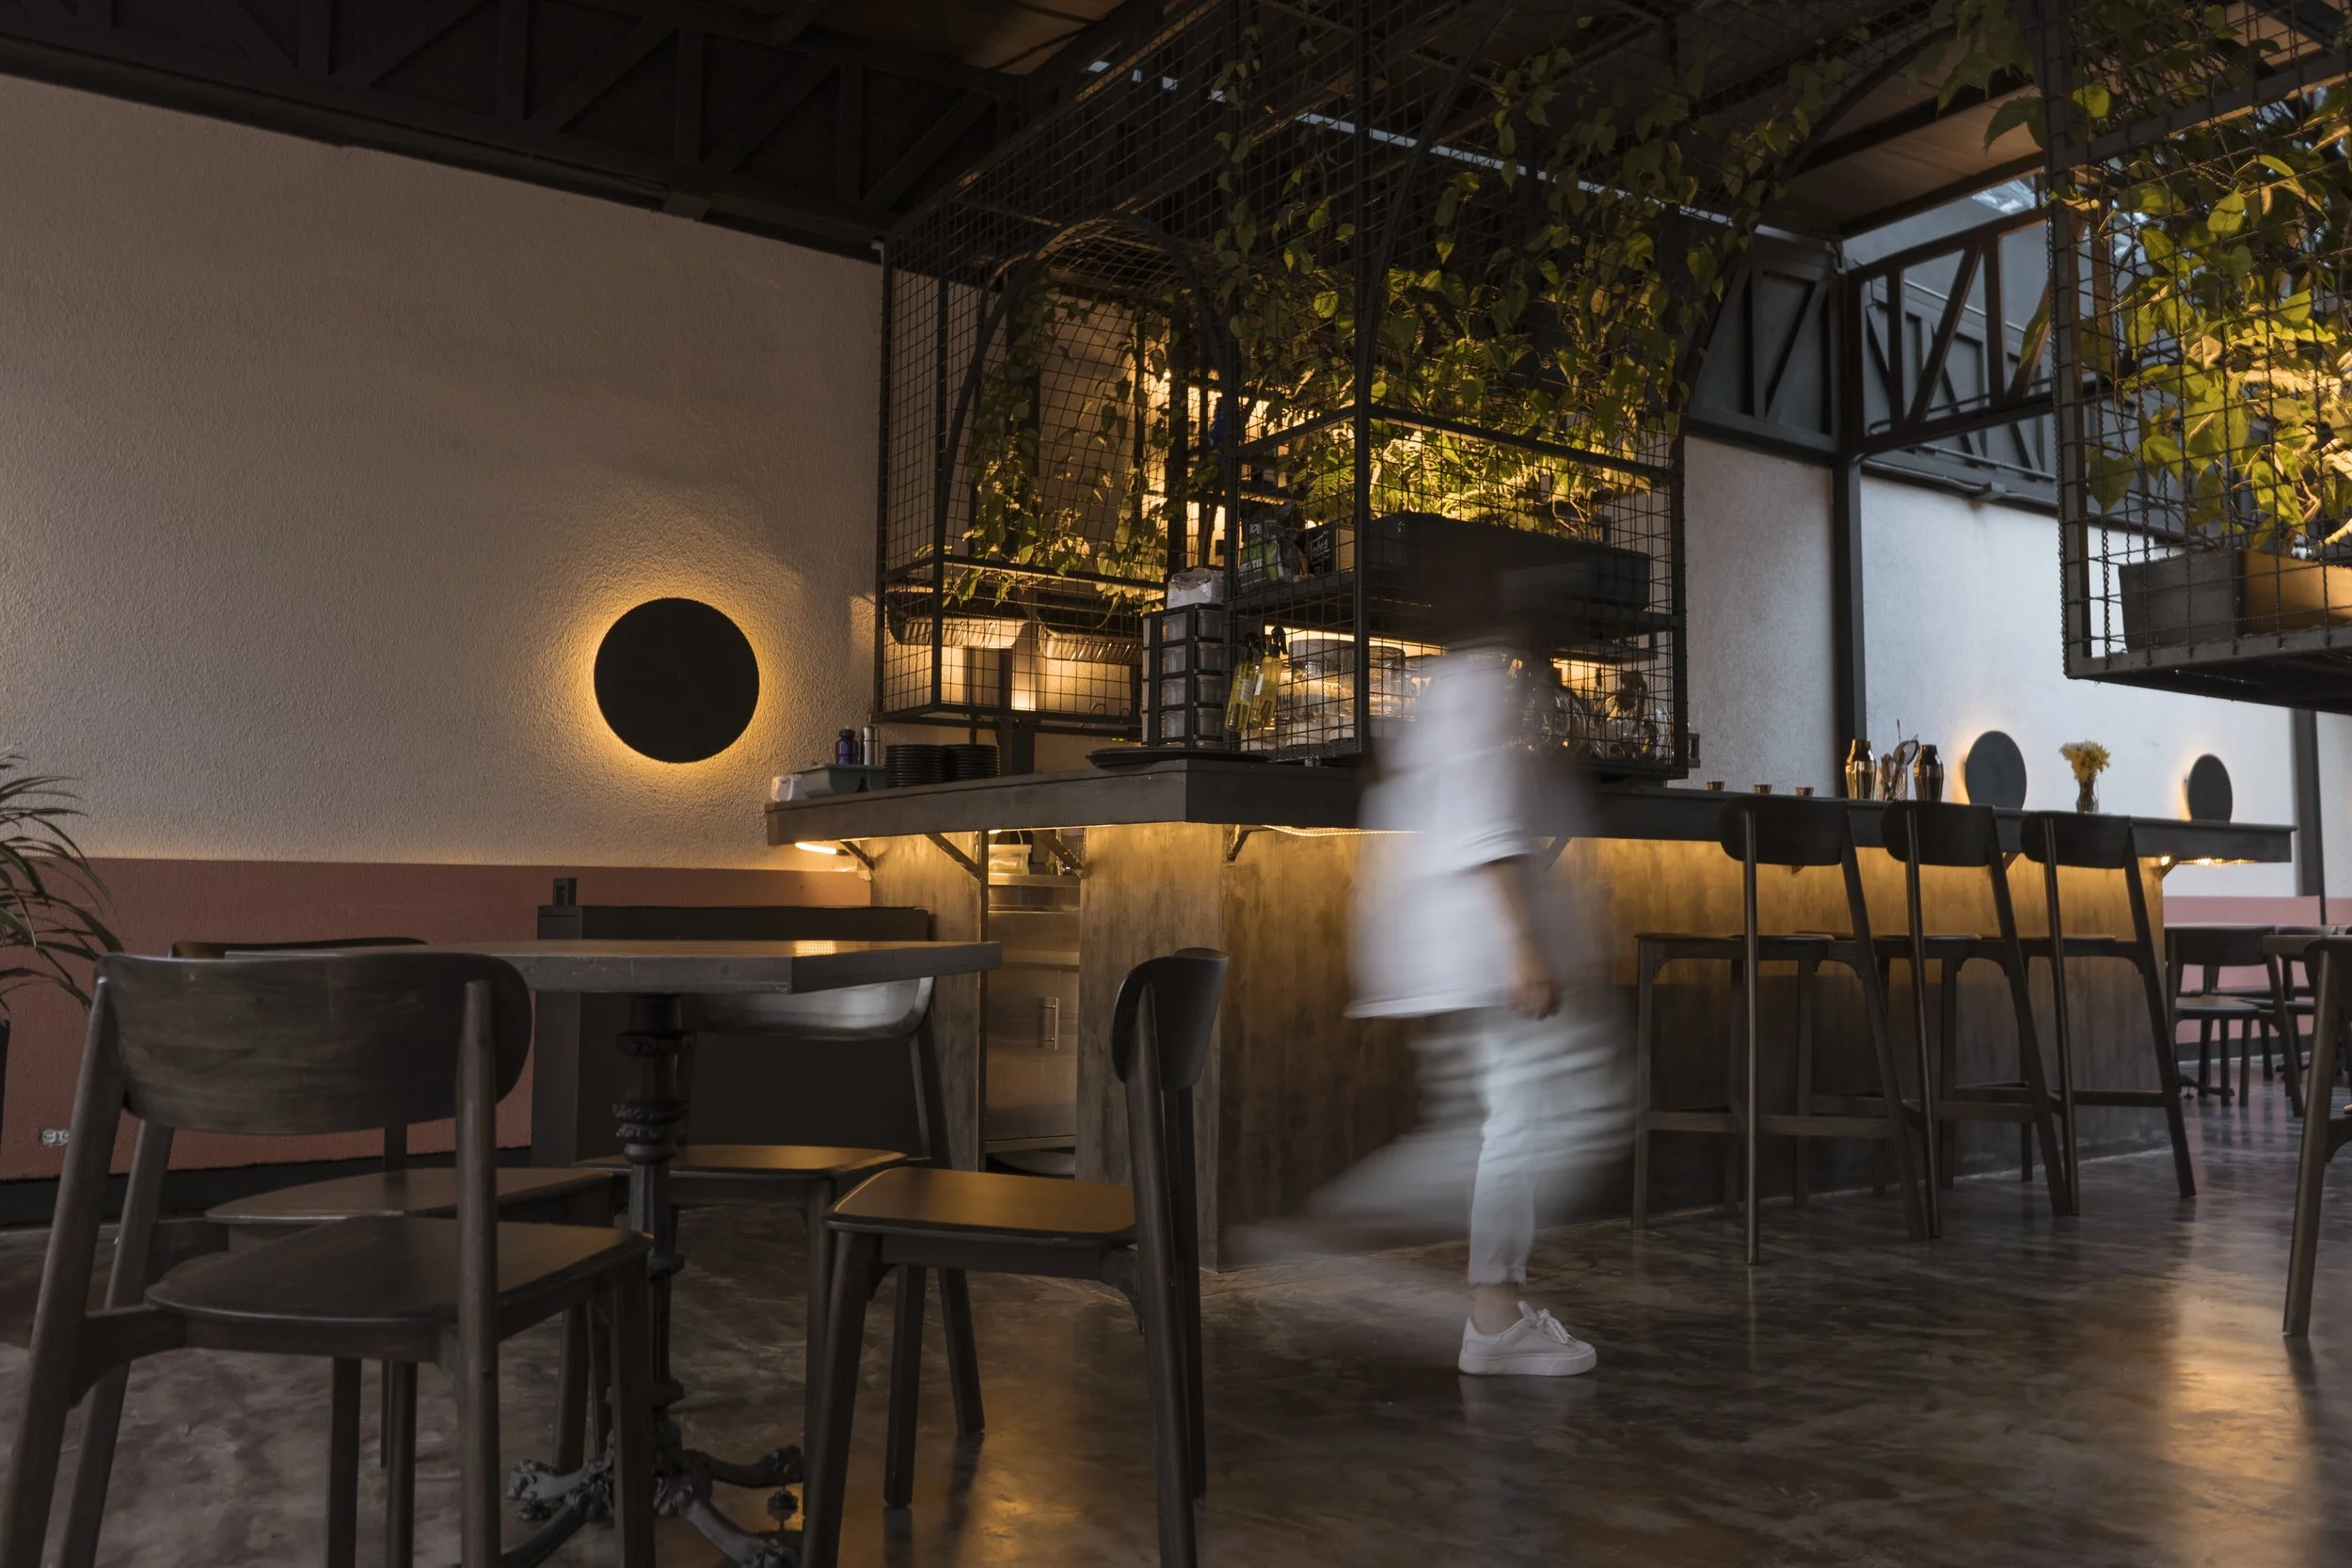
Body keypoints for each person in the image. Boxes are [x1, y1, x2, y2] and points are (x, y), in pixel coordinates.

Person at [1327, 527, 1629, 1377]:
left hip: (1459, 948)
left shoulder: (1450, 687)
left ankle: (1470, 1295)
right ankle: (1476, 1306)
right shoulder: (1483, 688)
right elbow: (1484, 823)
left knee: (1518, 1121)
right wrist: (1524, 944)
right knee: (1538, 1122)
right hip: (1487, 950)